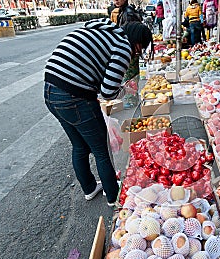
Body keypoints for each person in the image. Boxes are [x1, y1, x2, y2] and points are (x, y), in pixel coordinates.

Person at [44, 19, 153, 207]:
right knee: (101, 150)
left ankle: (89, 189)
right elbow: (108, 92)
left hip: (50, 91)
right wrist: (125, 89)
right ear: (137, 42)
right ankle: (113, 196)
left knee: (79, 145)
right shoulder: (123, 47)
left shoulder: (101, 30)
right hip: (75, 96)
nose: (138, 53)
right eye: (140, 48)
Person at [109, 0, 143, 83]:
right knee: (129, 82)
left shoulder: (128, 14)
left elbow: (130, 36)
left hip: (129, 53)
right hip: (128, 52)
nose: (116, 0)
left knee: (129, 83)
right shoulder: (122, 11)